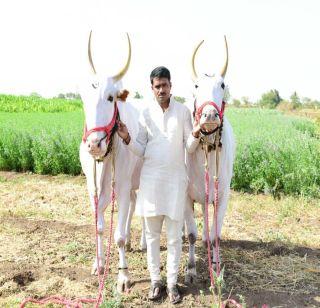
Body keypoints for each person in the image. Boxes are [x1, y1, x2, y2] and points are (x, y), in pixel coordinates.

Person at [117, 66, 200, 304]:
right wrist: (126, 138)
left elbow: (189, 147)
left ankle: (172, 284)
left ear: (171, 86)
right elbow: (141, 150)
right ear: (152, 88)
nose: (161, 89)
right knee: (152, 237)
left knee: (174, 238)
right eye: (157, 86)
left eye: (165, 85)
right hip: (151, 182)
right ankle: (156, 282)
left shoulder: (183, 112)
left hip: (175, 182)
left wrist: (195, 133)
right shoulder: (145, 114)